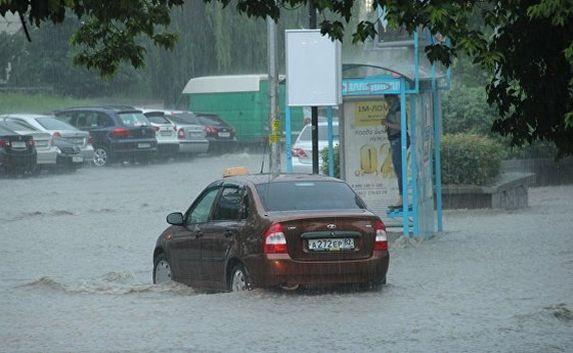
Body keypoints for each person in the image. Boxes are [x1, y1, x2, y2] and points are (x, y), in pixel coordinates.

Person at [384, 95, 409, 209]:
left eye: (388, 98)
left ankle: (402, 199)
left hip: (399, 140)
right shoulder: (395, 108)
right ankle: (402, 197)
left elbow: (401, 126)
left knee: (400, 170)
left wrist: (387, 124)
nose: (387, 101)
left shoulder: (398, 108)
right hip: (396, 140)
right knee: (399, 170)